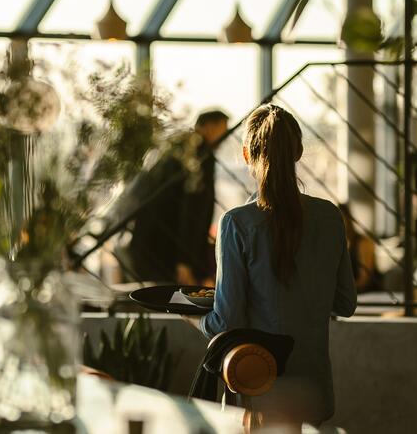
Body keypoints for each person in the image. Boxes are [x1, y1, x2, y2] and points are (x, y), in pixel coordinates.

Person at [199, 104, 356, 429]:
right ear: (298, 152)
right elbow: (346, 303)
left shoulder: (236, 224)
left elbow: (227, 320)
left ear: (246, 154)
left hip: (258, 389)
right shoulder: (329, 217)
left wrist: (197, 319)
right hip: (313, 390)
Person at [120, 109, 230, 285]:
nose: (225, 137)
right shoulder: (200, 155)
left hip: (150, 241)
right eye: (223, 129)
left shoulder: (178, 146)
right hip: (169, 248)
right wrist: (185, 260)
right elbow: (193, 211)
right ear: (210, 126)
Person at [339, 203, 380, 292]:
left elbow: (365, 279)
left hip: (367, 293)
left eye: (342, 219)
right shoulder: (337, 244)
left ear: (348, 219)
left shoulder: (363, 242)